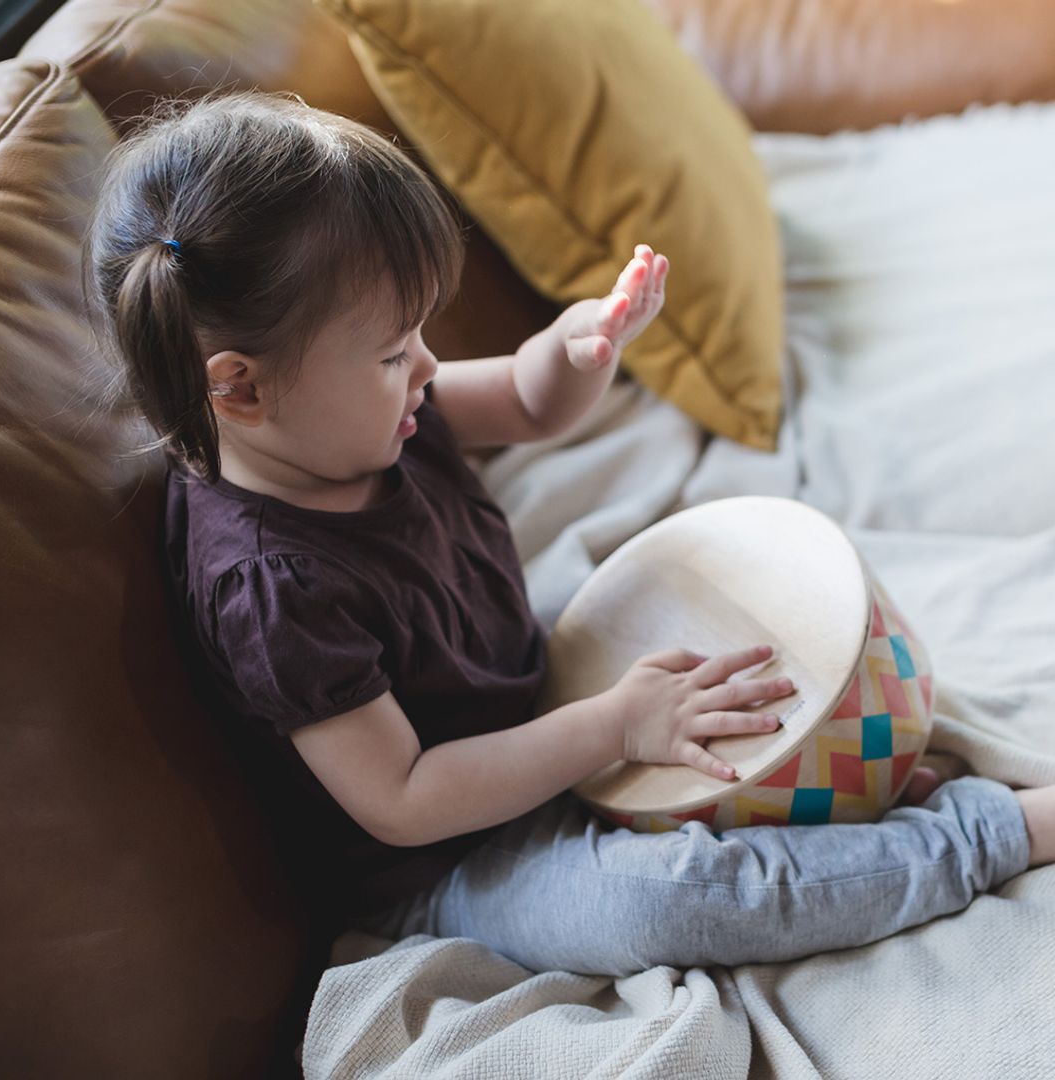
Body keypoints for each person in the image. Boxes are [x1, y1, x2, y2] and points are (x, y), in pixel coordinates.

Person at [82, 89, 1055, 978]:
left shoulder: (353, 420)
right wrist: (614, 726)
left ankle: (845, 784)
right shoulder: (271, 587)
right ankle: (986, 838)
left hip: (531, 691)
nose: (426, 367)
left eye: (422, 335)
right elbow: (406, 795)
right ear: (240, 389)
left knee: (732, 615)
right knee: (674, 901)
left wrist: (579, 349)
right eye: (391, 351)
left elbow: (524, 400)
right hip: (452, 854)